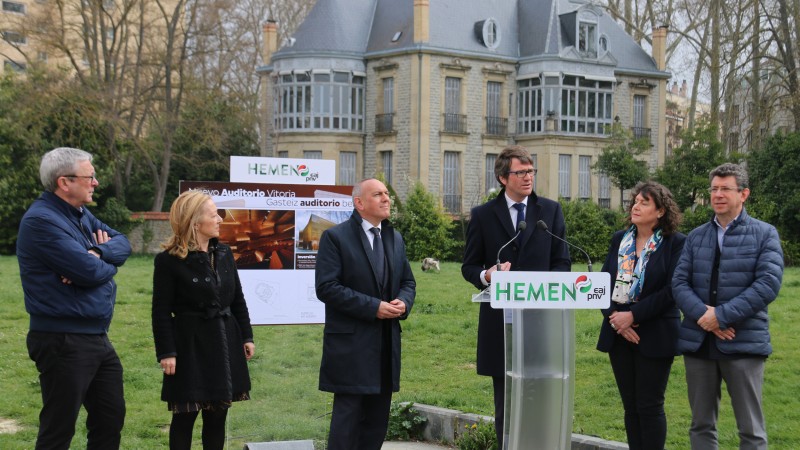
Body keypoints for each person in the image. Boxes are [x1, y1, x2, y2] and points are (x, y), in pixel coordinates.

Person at [17, 147, 131, 449]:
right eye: (90, 176)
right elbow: (88, 272)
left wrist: (98, 253)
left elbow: (123, 242)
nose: (95, 183)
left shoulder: (79, 214)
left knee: (110, 418)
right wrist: (93, 264)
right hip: (62, 339)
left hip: (96, 336)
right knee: (59, 427)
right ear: (64, 182)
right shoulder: (42, 221)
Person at [461, 145, 571, 446]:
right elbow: (469, 266)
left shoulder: (549, 211)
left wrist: (547, 291)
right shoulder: (483, 216)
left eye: (531, 171)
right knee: (506, 406)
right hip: (502, 326)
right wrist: (487, 276)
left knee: (541, 400)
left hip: (544, 324)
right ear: (502, 177)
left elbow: (562, 262)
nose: (528, 177)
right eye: (521, 172)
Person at [673, 163, 783, 450]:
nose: (718, 194)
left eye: (725, 189)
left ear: (743, 194)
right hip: (699, 344)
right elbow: (679, 284)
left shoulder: (764, 233)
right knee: (701, 425)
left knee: (751, 430)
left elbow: (768, 284)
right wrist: (705, 317)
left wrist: (720, 316)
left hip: (743, 342)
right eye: (714, 189)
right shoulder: (696, 236)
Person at [315, 178, 416, 450]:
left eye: (387, 193)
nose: (386, 198)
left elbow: (408, 281)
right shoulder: (335, 237)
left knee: (376, 422)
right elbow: (327, 287)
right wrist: (374, 307)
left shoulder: (394, 238)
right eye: (378, 194)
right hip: (351, 346)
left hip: (385, 345)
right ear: (359, 203)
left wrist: (403, 303)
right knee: (347, 423)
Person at [152, 190, 255, 450]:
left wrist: (246, 336)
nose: (220, 219)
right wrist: (167, 352)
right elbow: (160, 310)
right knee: (185, 414)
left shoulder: (224, 253)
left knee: (218, 414)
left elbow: (237, 298)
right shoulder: (169, 261)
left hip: (225, 340)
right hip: (189, 345)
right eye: (213, 214)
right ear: (195, 221)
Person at [596, 181, 685, 450]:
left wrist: (632, 316)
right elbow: (602, 283)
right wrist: (616, 320)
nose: (636, 205)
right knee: (630, 406)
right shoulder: (619, 239)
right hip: (618, 333)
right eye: (635, 200)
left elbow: (673, 290)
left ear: (660, 211)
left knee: (649, 406)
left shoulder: (676, 243)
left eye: (644, 202)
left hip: (655, 333)